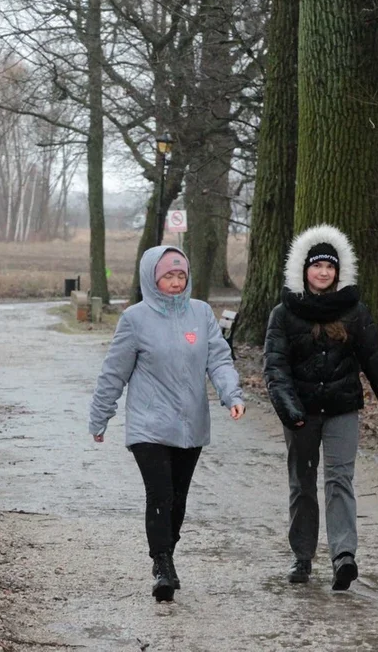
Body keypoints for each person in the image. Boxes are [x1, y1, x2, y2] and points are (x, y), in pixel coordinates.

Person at [89, 246, 246, 603]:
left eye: (181, 275)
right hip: (149, 424)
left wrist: (231, 395)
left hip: (190, 424)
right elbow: (114, 373)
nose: (175, 283)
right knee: (159, 494)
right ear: (152, 278)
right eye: (168, 276)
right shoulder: (135, 319)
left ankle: (167, 552)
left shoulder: (201, 313)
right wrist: (101, 416)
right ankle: (161, 565)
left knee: (178, 498)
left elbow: (219, 360)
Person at [264, 224, 378, 591]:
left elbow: (377, 361)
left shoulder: (354, 311)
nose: (324, 272)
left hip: (343, 409)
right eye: (317, 266)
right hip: (300, 413)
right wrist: (289, 408)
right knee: (302, 483)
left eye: (330, 267)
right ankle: (302, 556)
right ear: (304, 269)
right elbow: (275, 367)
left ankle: (344, 556)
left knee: (339, 479)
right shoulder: (284, 314)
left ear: (339, 271)